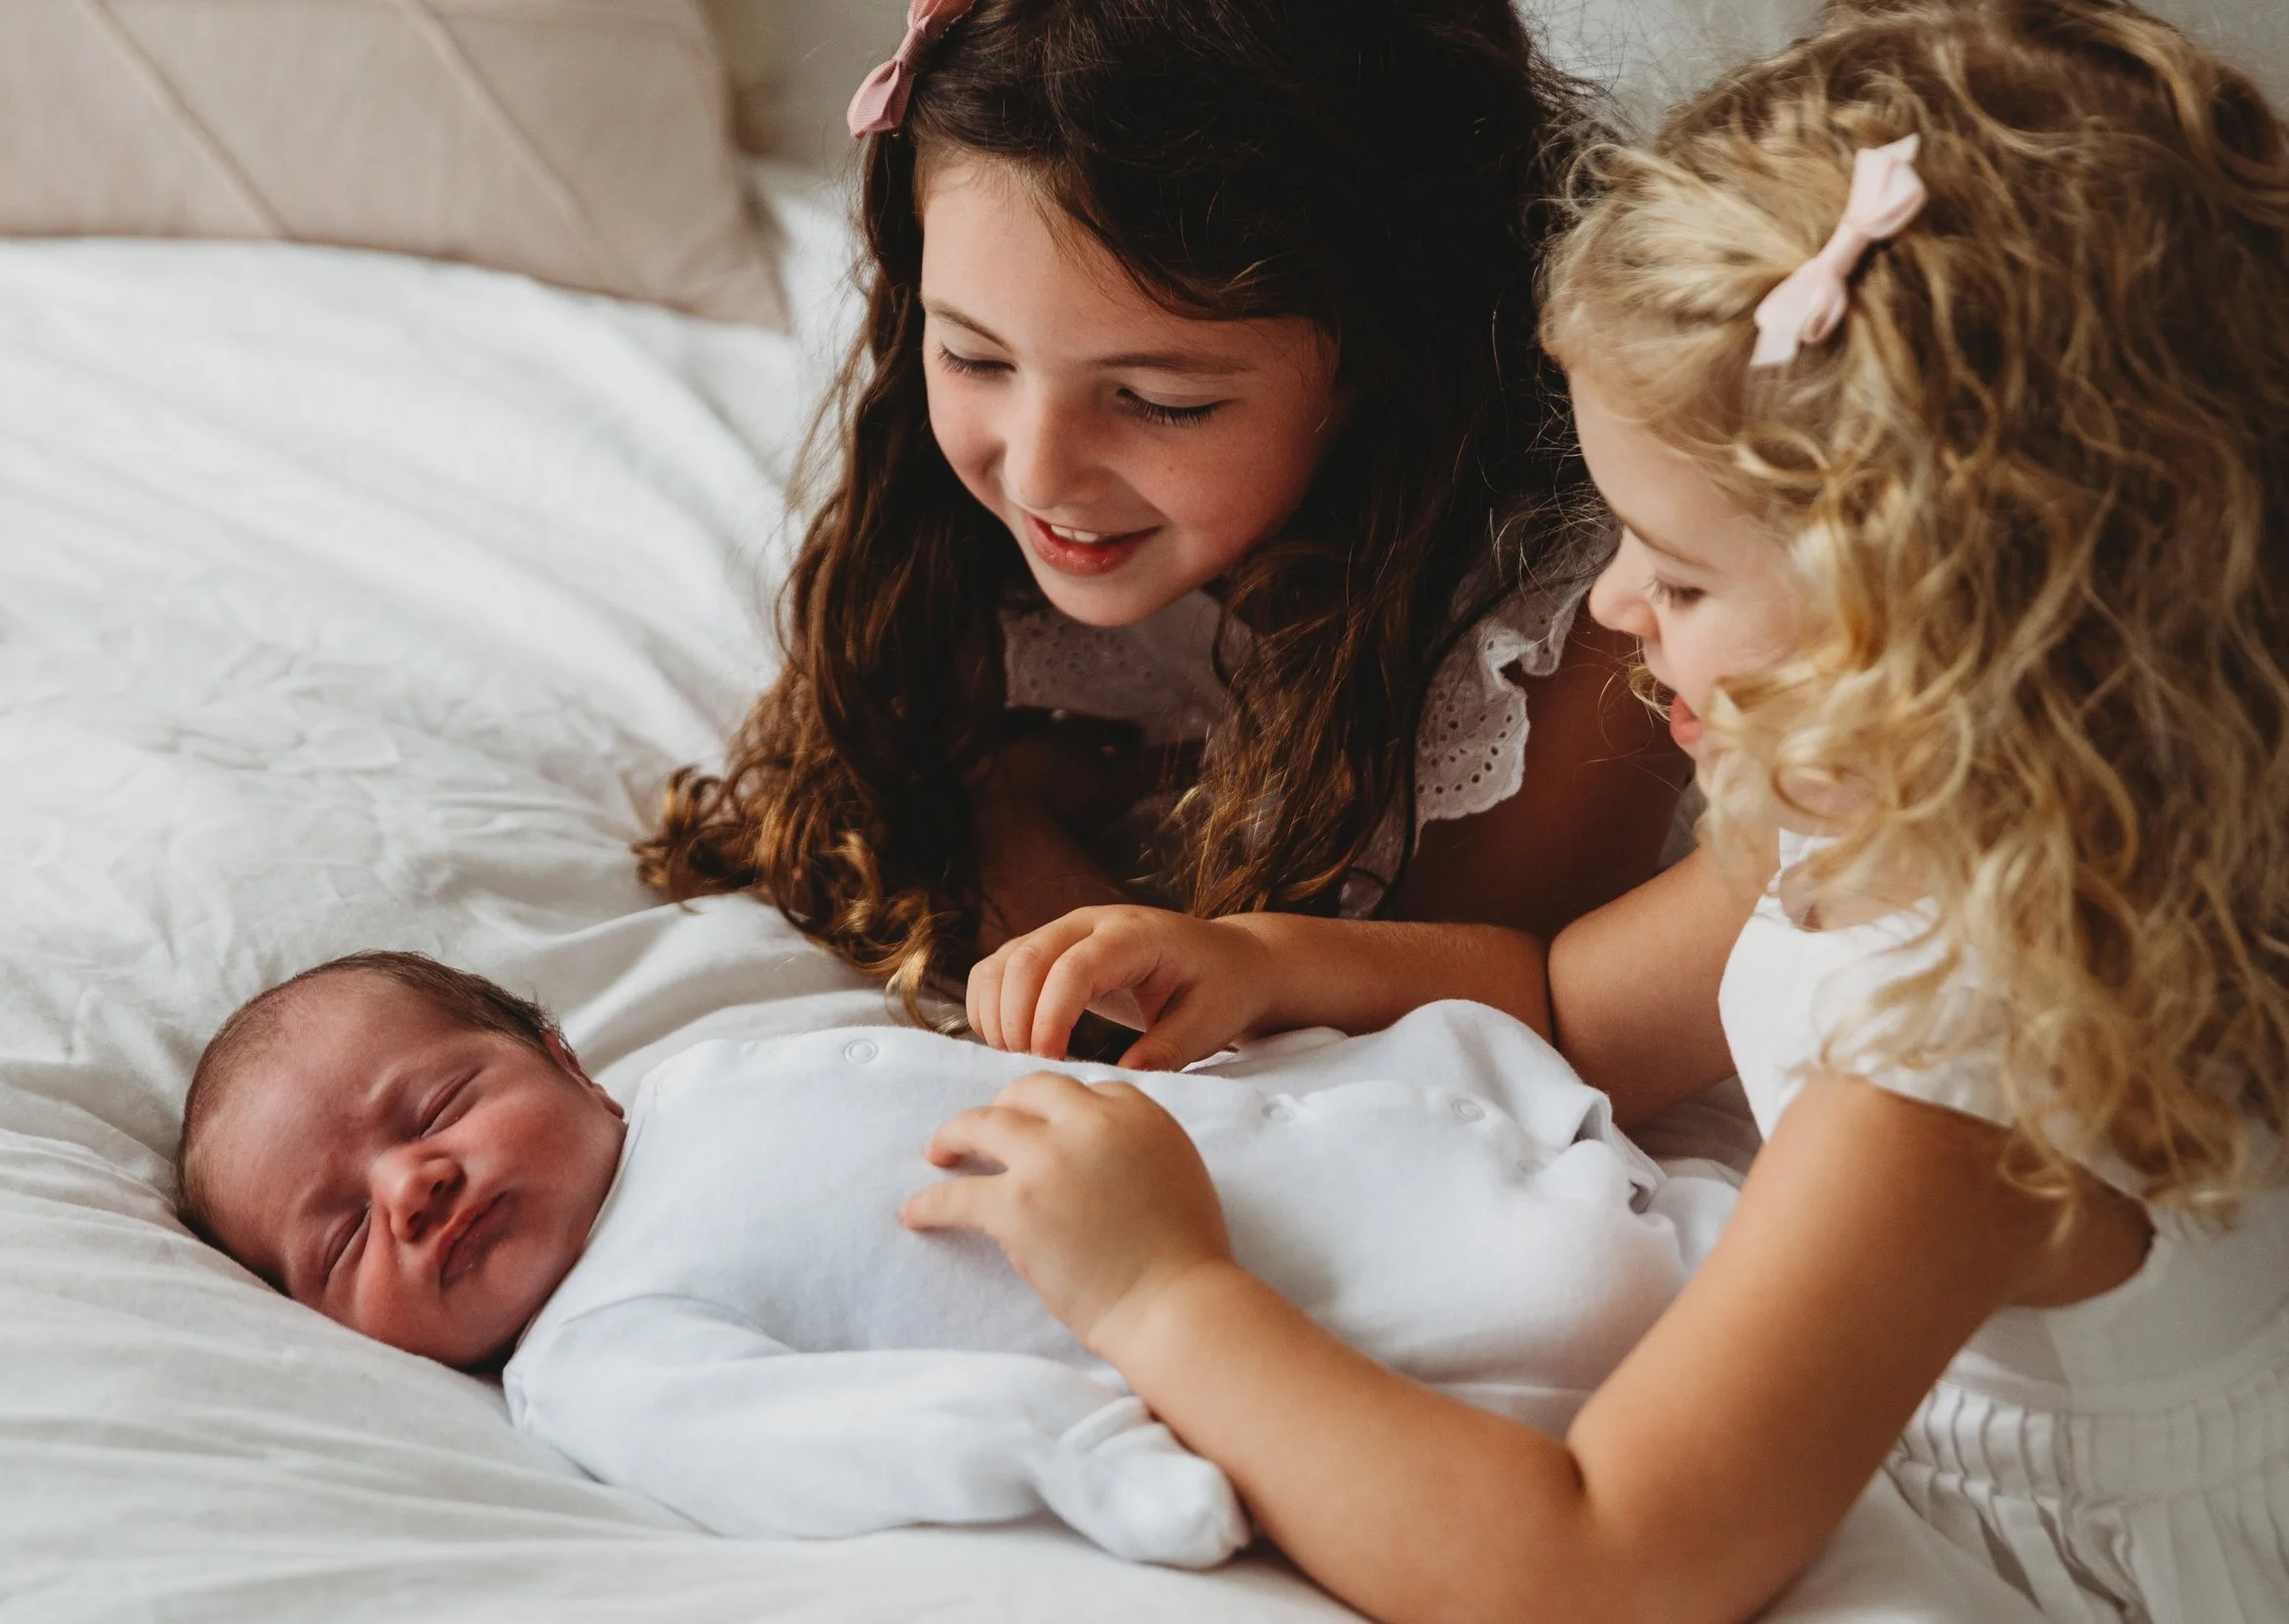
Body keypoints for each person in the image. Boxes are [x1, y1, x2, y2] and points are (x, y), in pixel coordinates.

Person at [910, 3, 2289, 1618]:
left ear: (1957, 613)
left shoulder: (1968, 1050)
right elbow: (1575, 1001)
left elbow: (1591, 1562)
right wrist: (1261, 959)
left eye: (1685, 573)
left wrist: (1158, 1287)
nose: (1616, 609)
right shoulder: (1889, 793)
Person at [636, 0, 1686, 1028]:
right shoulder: (949, 504)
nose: (1041, 472)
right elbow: (858, 764)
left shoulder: (1585, 625)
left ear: (1386, 364)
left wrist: (995, 818)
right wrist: (987, 805)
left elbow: (1456, 1035)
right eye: (971, 354)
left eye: (1160, 401)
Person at [172, 952, 1735, 1565]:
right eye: (338, 1233)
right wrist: (1089, 1457)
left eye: (436, 1105)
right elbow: (821, 1440)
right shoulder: (600, 1354)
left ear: (566, 1057)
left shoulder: (700, 1079)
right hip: (1419, 1343)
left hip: (1417, 1122)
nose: (415, 1184)